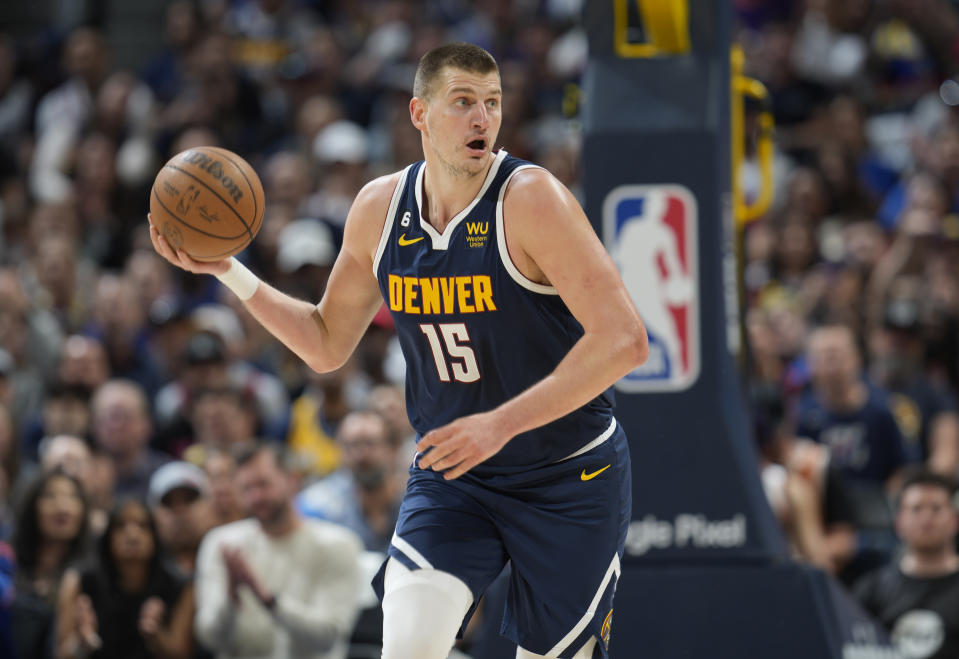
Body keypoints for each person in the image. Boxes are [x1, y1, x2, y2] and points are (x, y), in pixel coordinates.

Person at [150, 42, 647, 659]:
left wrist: (500, 424)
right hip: (455, 475)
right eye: (462, 102)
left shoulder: (530, 199)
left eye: (492, 103)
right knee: (408, 647)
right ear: (419, 113)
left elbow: (625, 339)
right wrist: (229, 271)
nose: (482, 120)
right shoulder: (379, 210)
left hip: (569, 474)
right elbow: (326, 343)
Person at [193, 442, 363, 659]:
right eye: (246, 489)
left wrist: (267, 599)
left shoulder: (338, 545)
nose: (256, 497)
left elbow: (328, 636)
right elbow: (209, 637)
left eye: (264, 484)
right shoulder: (221, 544)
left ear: (293, 480)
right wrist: (229, 598)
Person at [56, 499, 194, 659]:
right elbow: (61, 655)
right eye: (120, 526)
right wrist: (81, 643)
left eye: (142, 526)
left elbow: (182, 655)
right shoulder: (79, 581)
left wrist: (156, 636)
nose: (132, 535)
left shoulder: (180, 585)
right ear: (107, 536)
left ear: (155, 536)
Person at [854, 470, 959, 659]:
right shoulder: (873, 589)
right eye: (916, 509)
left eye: (936, 508)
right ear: (899, 522)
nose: (926, 519)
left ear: (954, 520)